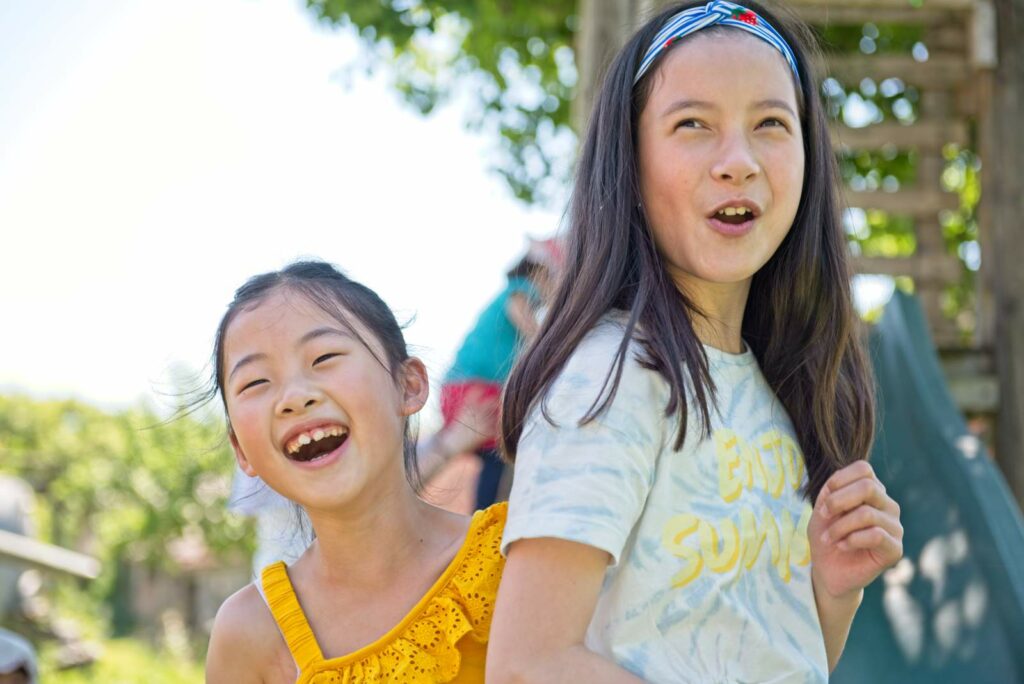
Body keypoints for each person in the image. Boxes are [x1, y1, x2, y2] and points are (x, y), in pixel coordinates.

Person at [487, 2, 904, 682]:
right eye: (692, 125)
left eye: (770, 122)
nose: (737, 160)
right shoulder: (613, 377)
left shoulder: (775, 385)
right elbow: (528, 664)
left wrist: (834, 590)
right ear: (631, 161)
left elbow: (781, 660)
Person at [205, 261, 506, 683]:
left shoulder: (514, 558)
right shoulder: (248, 631)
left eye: (324, 357)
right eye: (256, 383)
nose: (294, 397)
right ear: (241, 450)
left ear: (409, 385)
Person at [441, 238, 562, 509]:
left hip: (462, 386)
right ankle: (486, 522)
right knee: (505, 457)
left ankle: (485, 518)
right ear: (540, 273)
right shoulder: (521, 289)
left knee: (497, 461)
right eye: (554, 277)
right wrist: (547, 341)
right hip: (477, 387)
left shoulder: (509, 292)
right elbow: (520, 314)